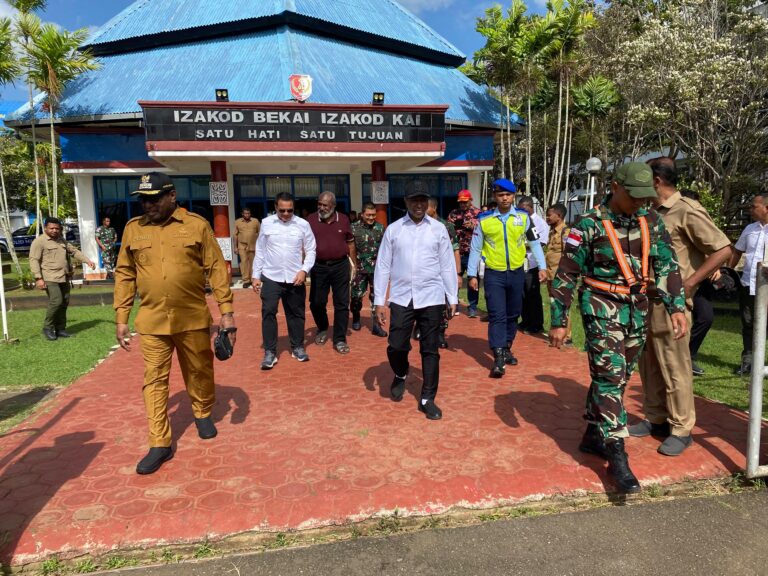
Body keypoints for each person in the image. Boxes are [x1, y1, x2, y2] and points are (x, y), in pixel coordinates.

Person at [549, 162, 687, 493]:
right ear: (615, 187)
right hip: (601, 307)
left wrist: (676, 306)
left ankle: (594, 435)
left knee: (619, 377)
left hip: (638, 307)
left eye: (646, 196)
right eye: (635, 196)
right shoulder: (588, 224)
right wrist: (559, 319)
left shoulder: (651, 220)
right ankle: (617, 455)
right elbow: (567, 273)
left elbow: (667, 264)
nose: (642, 202)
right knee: (609, 377)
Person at [113, 172, 235, 475]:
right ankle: (160, 442)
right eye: (143, 199)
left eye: (153, 198)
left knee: (200, 370)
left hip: (192, 317)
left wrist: (227, 311)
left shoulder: (196, 225)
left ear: (171, 196)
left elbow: (216, 268)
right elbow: (125, 274)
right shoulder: (133, 229)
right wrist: (121, 317)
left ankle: (203, 412)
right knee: (154, 380)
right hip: (152, 320)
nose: (147, 204)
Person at [632, 158, 732, 456]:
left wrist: (689, 284)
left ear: (658, 181)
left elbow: (722, 248)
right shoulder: (648, 211)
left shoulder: (686, 209)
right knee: (649, 362)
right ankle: (655, 417)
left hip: (672, 302)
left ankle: (681, 428)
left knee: (675, 365)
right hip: (647, 297)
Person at [374, 182, 458, 420]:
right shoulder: (394, 229)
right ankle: (401, 373)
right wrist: (380, 301)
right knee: (396, 345)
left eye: (423, 200)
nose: (419, 205)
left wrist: (452, 297)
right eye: (414, 200)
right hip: (401, 297)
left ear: (428, 202)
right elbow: (383, 266)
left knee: (430, 350)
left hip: (432, 296)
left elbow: (446, 265)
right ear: (406, 202)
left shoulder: (438, 229)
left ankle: (427, 398)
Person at [467, 179, 547, 378]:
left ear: (513, 197)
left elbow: (534, 243)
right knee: (497, 314)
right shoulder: (484, 220)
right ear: (495, 197)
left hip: (517, 273)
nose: (504, 198)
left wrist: (542, 266)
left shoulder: (523, 218)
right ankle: (499, 355)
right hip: (494, 274)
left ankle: (507, 346)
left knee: (513, 313)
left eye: (508, 195)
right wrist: (472, 274)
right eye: (500, 195)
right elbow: (475, 248)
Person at [252, 191, 316, 368]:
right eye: (282, 210)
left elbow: (311, 250)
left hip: (295, 278)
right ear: (275, 208)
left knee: (296, 314)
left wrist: (304, 270)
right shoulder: (266, 223)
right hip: (271, 276)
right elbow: (261, 251)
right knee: (269, 312)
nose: (286, 214)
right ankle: (270, 352)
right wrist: (256, 276)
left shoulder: (303, 224)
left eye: (290, 210)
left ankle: (298, 347)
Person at [29, 217, 96, 341]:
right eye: (52, 228)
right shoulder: (39, 242)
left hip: (63, 276)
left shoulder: (61, 240)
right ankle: (48, 328)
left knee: (64, 302)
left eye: (57, 228)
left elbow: (74, 251)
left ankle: (60, 329)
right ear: (45, 228)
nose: (54, 230)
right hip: (49, 277)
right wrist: (38, 278)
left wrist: (87, 261)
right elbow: (34, 260)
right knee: (56, 301)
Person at [308, 191, 356, 354]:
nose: (321, 207)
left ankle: (340, 339)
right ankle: (322, 328)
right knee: (316, 302)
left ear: (333, 206)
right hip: (318, 267)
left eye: (325, 205)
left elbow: (350, 243)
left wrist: (354, 265)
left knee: (342, 303)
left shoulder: (343, 219)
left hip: (340, 266)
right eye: (319, 204)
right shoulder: (311, 220)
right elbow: (304, 245)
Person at [729, 192, 768, 375]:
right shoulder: (750, 229)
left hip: (766, 287)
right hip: (748, 285)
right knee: (748, 323)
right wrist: (728, 272)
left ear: (766, 208)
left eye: (754, 206)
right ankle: (748, 361)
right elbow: (737, 252)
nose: (750, 209)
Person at [426, 197, 461, 348]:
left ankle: (440, 333)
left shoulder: (446, 226)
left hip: (443, 271)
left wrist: (457, 274)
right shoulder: (420, 225)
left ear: (433, 208)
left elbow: (455, 250)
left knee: (444, 304)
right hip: (427, 272)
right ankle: (422, 328)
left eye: (425, 206)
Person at [351, 202, 387, 337]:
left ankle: (376, 326)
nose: (371, 217)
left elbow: (385, 249)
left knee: (376, 297)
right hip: (359, 269)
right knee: (356, 297)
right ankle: (355, 317)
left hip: (376, 270)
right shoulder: (353, 228)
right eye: (368, 215)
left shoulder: (380, 228)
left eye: (373, 215)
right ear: (362, 214)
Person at [516, 195, 550, 335]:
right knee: (522, 294)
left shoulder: (540, 223)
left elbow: (540, 243)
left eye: (523, 208)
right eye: (519, 208)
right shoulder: (519, 220)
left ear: (530, 207)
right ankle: (525, 320)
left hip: (532, 263)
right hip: (519, 262)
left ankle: (537, 324)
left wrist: (524, 245)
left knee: (533, 294)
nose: (521, 211)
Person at [447, 189, 481, 317]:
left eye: (465, 202)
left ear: (470, 200)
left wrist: (474, 226)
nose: (462, 205)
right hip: (457, 252)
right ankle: (454, 304)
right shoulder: (454, 214)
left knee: (473, 279)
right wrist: (455, 227)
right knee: (455, 279)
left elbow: (483, 230)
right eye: (460, 202)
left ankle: (472, 307)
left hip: (473, 252)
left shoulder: (478, 213)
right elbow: (447, 229)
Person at [544, 203, 572, 345]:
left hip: (561, 274)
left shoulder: (566, 232)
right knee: (554, 303)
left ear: (559, 216)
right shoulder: (552, 231)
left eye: (550, 215)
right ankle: (556, 331)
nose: (547, 217)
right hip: (550, 273)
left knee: (563, 304)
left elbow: (570, 253)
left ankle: (567, 336)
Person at [233, 207, 260, 289]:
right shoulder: (237, 222)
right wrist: (235, 247)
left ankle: (252, 279)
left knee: (253, 263)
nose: (247, 215)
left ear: (250, 214)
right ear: (242, 214)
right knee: (244, 262)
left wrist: (260, 246)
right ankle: (246, 280)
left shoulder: (255, 221)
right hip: (242, 246)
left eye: (248, 213)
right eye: (245, 213)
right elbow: (235, 235)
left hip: (253, 246)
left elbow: (260, 233)